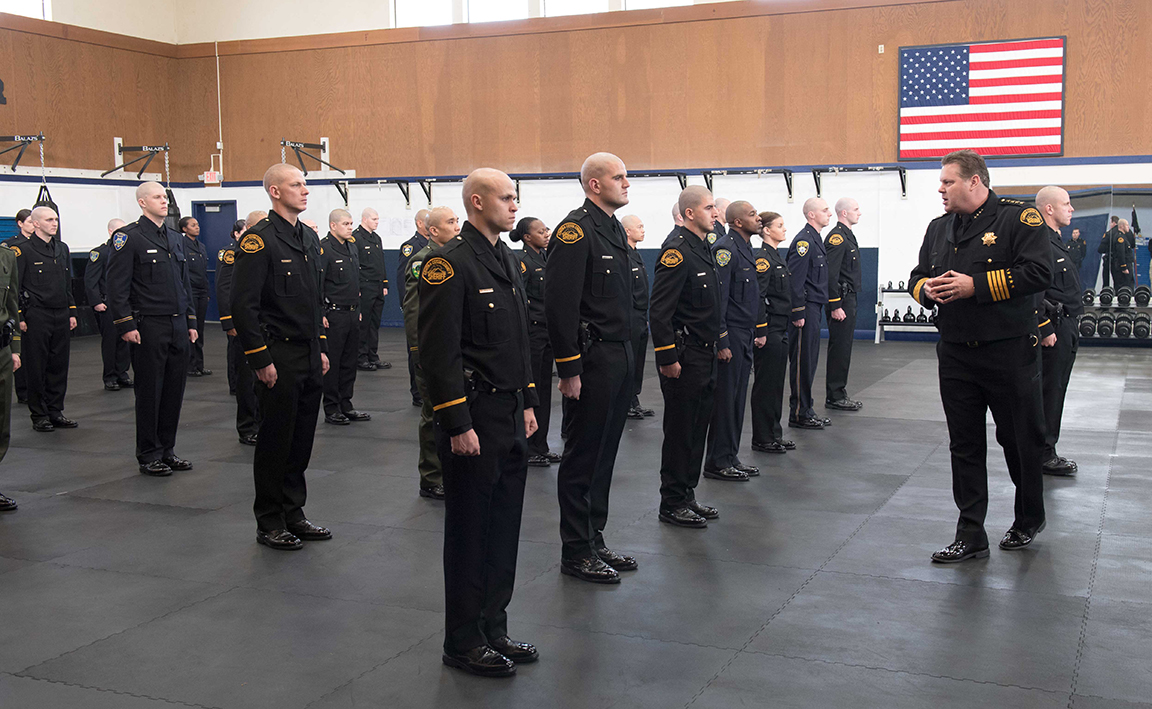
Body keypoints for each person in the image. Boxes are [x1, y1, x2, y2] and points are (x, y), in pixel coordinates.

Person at [419, 168, 539, 678]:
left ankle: (494, 625)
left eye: (516, 198)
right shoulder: (448, 265)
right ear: (476, 201)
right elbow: (438, 353)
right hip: (475, 416)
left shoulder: (506, 258)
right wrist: (456, 422)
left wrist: (529, 401)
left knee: (504, 526)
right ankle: (463, 640)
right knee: (470, 533)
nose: (515, 206)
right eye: (506, 198)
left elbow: (518, 340)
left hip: (510, 411)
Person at [908, 149, 1051, 563]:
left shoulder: (1018, 219)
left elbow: (1039, 273)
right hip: (955, 352)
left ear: (974, 181)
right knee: (964, 444)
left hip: (1007, 351)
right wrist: (926, 291)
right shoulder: (939, 228)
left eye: (948, 181)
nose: (941, 188)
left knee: (1019, 440)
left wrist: (978, 286)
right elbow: (919, 275)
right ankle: (971, 532)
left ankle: (1028, 518)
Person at [545, 152, 638, 583]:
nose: (627, 183)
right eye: (619, 177)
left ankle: (594, 537)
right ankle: (575, 550)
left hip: (620, 354)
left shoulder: (613, 228)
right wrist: (568, 368)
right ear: (595, 185)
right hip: (592, 357)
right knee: (582, 455)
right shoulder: (574, 230)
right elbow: (560, 305)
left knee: (605, 454)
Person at [231, 164, 331, 550]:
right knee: (275, 441)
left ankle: (294, 512)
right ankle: (269, 521)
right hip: (278, 353)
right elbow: (244, 306)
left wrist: (320, 346)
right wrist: (260, 359)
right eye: (296, 185)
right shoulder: (259, 241)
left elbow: (313, 299)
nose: (305, 191)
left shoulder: (307, 237)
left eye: (305, 184)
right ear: (275, 191)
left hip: (307, 351)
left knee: (302, 439)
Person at [106, 182, 198, 476]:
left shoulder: (174, 238)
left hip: (177, 322)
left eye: (165, 197)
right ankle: (148, 454)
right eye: (157, 197)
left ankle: (167, 450)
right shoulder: (128, 238)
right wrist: (125, 324)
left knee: (174, 390)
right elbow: (117, 286)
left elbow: (185, 284)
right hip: (148, 325)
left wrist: (191, 321)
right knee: (149, 392)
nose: (164, 201)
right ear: (142, 202)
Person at [650, 186, 723, 527]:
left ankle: (687, 494)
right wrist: (667, 358)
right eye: (710, 208)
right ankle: (671, 501)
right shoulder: (676, 252)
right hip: (684, 356)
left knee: (697, 429)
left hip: (705, 354)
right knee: (680, 430)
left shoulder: (702, 250)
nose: (716, 213)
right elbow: (660, 310)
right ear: (691, 213)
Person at [402, 206, 460, 501]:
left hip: (455, 351)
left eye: (457, 220)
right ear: (433, 230)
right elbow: (413, 309)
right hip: (429, 352)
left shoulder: (456, 257)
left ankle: (451, 471)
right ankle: (431, 477)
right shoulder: (423, 260)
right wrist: (417, 351)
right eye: (451, 222)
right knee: (432, 413)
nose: (458, 226)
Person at [704, 201, 764, 480]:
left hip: (746, 332)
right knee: (726, 400)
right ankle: (717, 461)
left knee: (738, 398)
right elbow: (719, 298)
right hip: (733, 333)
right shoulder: (725, 251)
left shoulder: (745, 248)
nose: (759, 218)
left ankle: (731, 455)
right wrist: (723, 340)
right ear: (737, 222)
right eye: (752, 215)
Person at [16, 207, 77, 432]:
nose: (54, 223)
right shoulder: (21, 250)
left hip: (60, 312)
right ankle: (39, 414)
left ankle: (55, 410)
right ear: (36, 224)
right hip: (36, 314)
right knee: (36, 365)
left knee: (59, 364)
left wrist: (72, 311)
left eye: (56, 219)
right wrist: (20, 316)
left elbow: (66, 282)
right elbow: (16, 286)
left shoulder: (61, 248)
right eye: (49, 220)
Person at [1036, 186, 1083, 477]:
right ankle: (1043, 454)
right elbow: (1032, 289)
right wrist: (1044, 326)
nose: (1071, 208)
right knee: (1049, 391)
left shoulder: (1056, 241)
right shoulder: (1039, 242)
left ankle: (1045, 450)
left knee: (1057, 389)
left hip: (1067, 325)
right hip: (1053, 328)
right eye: (1066, 204)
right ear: (1049, 209)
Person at [512, 216, 560, 467]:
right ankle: (530, 447)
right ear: (527, 237)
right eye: (540, 231)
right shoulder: (522, 262)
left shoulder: (544, 257)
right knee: (532, 392)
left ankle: (541, 444)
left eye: (547, 229)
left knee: (544, 390)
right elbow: (521, 300)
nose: (546, 234)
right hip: (532, 333)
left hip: (546, 331)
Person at [750, 212, 795, 454]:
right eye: (779, 225)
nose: (784, 229)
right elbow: (759, 296)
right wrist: (761, 330)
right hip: (770, 328)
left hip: (782, 326)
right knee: (766, 384)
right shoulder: (763, 259)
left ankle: (774, 433)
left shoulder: (777, 257)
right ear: (766, 230)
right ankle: (762, 437)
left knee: (777, 384)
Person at [320, 209, 370, 425]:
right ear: (333, 226)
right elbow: (317, 284)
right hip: (334, 315)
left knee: (349, 363)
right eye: (346, 224)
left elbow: (354, 282)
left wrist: (357, 309)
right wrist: (321, 314)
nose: (351, 227)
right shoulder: (324, 249)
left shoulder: (351, 246)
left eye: (351, 223)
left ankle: (346, 404)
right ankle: (331, 408)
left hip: (351, 312)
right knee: (334, 363)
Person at [217, 214, 262, 446]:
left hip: (264, 324)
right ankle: (247, 427)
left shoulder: (265, 250)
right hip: (244, 324)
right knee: (246, 379)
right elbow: (225, 288)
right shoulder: (233, 253)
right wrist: (229, 322)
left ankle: (262, 422)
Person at [787, 198, 832, 430]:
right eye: (825, 210)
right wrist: (797, 311)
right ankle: (798, 412)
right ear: (811, 215)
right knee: (802, 362)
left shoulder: (816, 240)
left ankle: (807, 408)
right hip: (805, 308)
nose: (830, 214)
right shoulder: (804, 241)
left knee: (810, 361)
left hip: (815, 307)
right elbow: (795, 280)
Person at [824, 198, 864, 411]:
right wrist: (835, 305)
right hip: (840, 299)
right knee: (839, 347)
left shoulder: (847, 236)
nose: (859, 213)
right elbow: (830, 275)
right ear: (844, 213)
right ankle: (835, 395)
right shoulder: (837, 238)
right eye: (856, 209)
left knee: (845, 346)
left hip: (848, 298)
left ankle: (839, 392)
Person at [85, 219, 133, 392]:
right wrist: (96, 302)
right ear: (110, 231)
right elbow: (91, 280)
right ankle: (110, 377)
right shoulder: (100, 253)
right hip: (107, 304)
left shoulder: (127, 252)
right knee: (111, 342)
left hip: (125, 304)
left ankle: (122, 373)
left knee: (126, 340)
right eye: (119, 230)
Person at [622, 214, 654, 419]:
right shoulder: (623, 255)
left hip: (641, 315)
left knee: (640, 360)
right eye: (639, 227)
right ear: (627, 231)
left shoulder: (636, 254)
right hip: (630, 316)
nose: (643, 230)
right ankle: (626, 403)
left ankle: (634, 399)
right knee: (630, 361)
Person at [397, 209, 431, 396]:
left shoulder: (436, 246)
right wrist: (407, 307)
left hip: (432, 308)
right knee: (416, 350)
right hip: (417, 307)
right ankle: (417, 391)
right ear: (420, 223)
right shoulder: (411, 247)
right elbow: (403, 279)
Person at [352, 207, 390, 372]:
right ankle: (361, 358)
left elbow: (380, 263)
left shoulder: (376, 238)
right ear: (365, 219)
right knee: (364, 323)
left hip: (377, 286)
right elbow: (354, 265)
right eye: (374, 219)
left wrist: (385, 283)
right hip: (365, 286)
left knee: (374, 323)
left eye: (377, 219)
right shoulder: (356, 238)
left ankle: (373, 356)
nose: (377, 222)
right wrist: (357, 287)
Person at [5, 209, 34, 404]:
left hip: (38, 308)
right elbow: (13, 284)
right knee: (19, 349)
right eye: (30, 222)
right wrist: (19, 315)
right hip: (20, 304)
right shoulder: (11, 247)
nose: (34, 225)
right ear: (20, 224)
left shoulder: (42, 245)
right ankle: (23, 391)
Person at [0, 240, 21, 512]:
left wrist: (14, 348)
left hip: (2, 351)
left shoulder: (6, 257)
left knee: (1, 422)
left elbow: (12, 303)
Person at [179, 217, 212, 377]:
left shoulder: (201, 247)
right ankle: (190, 365)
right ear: (184, 229)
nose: (197, 227)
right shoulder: (181, 246)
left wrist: (207, 292)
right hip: (190, 291)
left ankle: (199, 364)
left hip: (201, 291)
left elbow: (203, 273)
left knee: (200, 328)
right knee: (190, 328)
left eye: (198, 224)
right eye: (193, 225)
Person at [1108, 219, 1136, 291]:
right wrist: (1124, 267)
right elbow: (1121, 253)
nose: (1128, 227)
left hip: (1126, 264)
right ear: (1122, 226)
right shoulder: (1120, 238)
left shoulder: (1124, 237)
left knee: (1129, 284)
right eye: (1126, 225)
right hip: (1123, 267)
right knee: (1125, 287)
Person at [1098, 215, 1119, 289]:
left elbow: (1101, 249)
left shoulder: (1109, 233)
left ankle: (1106, 292)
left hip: (1110, 259)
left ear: (1113, 223)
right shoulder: (1122, 232)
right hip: (1120, 260)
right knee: (1118, 280)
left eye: (1110, 223)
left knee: (1106, 278)